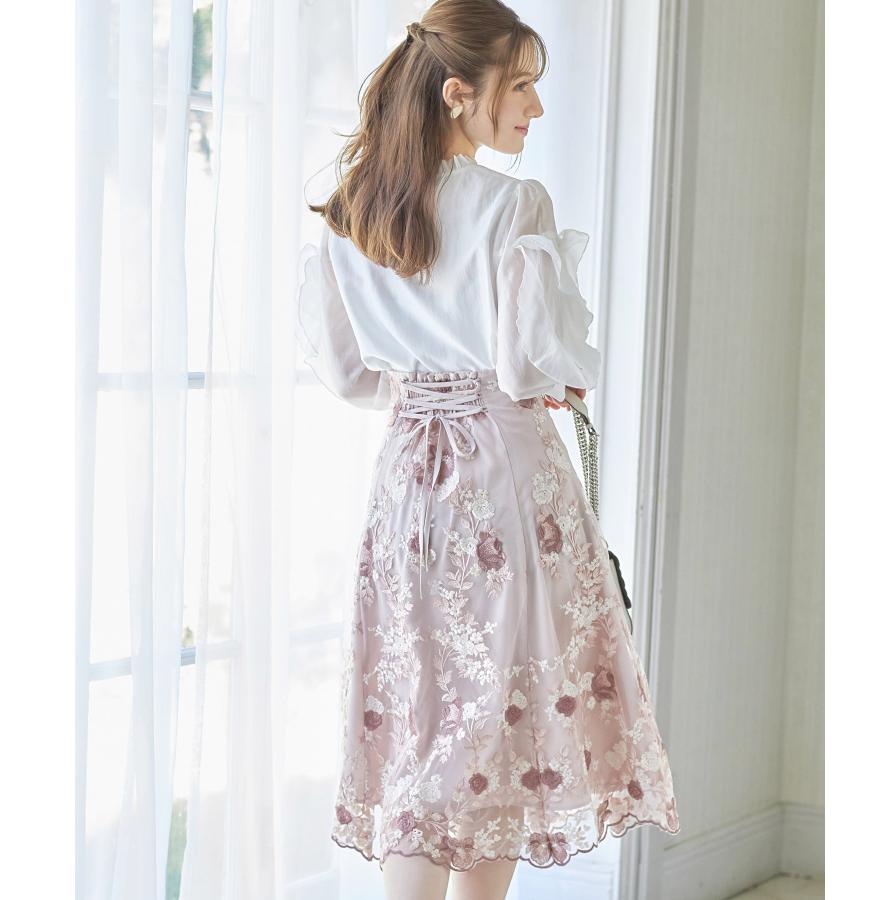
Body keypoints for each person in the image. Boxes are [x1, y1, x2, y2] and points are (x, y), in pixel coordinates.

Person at [295, 2, 680, 898]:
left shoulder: (351, 213)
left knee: (425, 728)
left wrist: (421, 384)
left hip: (407, 487)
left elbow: (349, 374)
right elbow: (527, 365)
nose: (535, 108)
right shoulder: (512, 204)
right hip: (503, 478)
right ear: (457, 93)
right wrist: (560, 371)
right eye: (522, 87)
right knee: (495, 730)